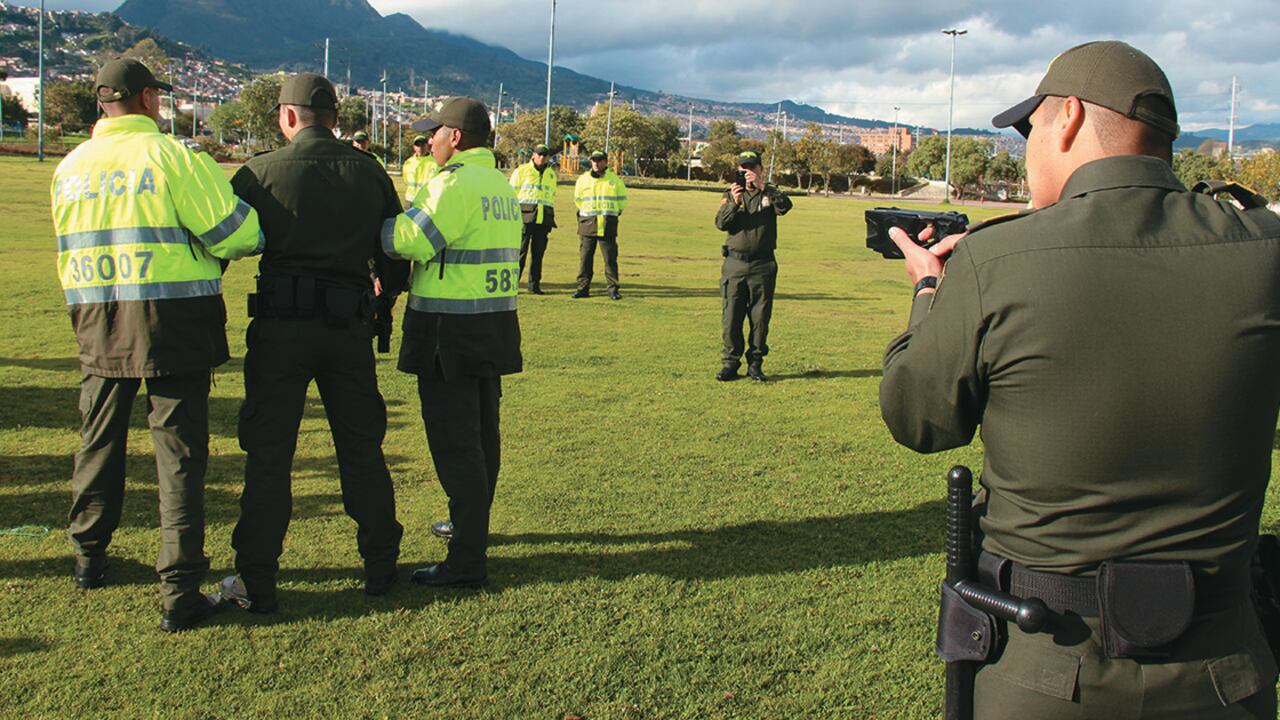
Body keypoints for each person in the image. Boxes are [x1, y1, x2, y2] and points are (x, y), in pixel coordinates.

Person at [879, 41, 1280, 718]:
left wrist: (927, 295)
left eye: (1030, 130)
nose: (1029, 149)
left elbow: (916, 417)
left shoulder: (996, 259)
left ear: (1065, 118)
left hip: (1047, 667)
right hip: (1225, 673)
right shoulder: (1263, 248)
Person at [49, 58, 264, 632]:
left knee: (97, 441)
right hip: (173, 322)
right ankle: (180, 588)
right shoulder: (171, 157)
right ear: (147, 99)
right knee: (179, 454)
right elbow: (239, 233)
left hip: (96, 316)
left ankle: (88, 558)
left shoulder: (69, 167)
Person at [210, 74, 408, 614]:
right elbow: (395, 252)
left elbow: (224, 243)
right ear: (335, 118)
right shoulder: (368, 171)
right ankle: (381, 565)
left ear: (288, 117)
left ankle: (257, 578)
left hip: (280, 329)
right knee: (361, 447)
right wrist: (382, 300)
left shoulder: (259, 171)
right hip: (348, 328)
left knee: (269, 455)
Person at [382, 96, 522, 587]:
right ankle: (471, 531)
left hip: (449, 332)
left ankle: (466, 559)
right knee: (484, 438)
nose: (430, 141)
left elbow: (410, 240)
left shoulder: (454, 184)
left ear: (455, 137)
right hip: (493, 325)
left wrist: (380, 221)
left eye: (435, 132)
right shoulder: (499, 185)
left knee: (456, 444)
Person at [713, 150, 792, 382]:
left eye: (752, 168)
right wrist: (735, 204)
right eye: (743, 168)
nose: (747, 172)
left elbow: (785, 207)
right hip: (735, 264)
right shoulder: (730, 195)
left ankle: (755, 364)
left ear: (760, 169)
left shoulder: (769, 193)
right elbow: (720, 223)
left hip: (762, 265)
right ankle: (730, 364)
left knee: (759, 318)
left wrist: (764, 187)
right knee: (731, 317)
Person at [572, 150, 627, 300]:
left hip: (608, 224)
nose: (596, 163)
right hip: (587, 223)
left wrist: (613, 214)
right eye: (594, 160)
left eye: (599, 160)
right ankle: (583, 288)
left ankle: (613, 289)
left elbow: (622, 201)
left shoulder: (614, 180)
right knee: (585, 258)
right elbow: (578, 200)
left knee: (610, 259)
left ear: (605, 162)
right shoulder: (583, 180)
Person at [510, 143, 558, 294]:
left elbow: (551, 195)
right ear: (533, 155)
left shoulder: (551, 174)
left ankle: (534, 285)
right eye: (539, 154)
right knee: (520, 254)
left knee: (538, 255)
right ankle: (513, 284)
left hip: (543, 219)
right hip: (524, 218)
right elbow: (511, 194)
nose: (542, 157)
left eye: (544, 155)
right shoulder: (522, 171)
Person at [401, 134, 438, 207]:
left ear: (427, 146)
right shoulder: (408, 163)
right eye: (418, 145)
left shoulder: (435, 163)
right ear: (414, 147)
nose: (420, 148)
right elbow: (405, 180)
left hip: (428, 200)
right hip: (410, 199)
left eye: (423, 145)